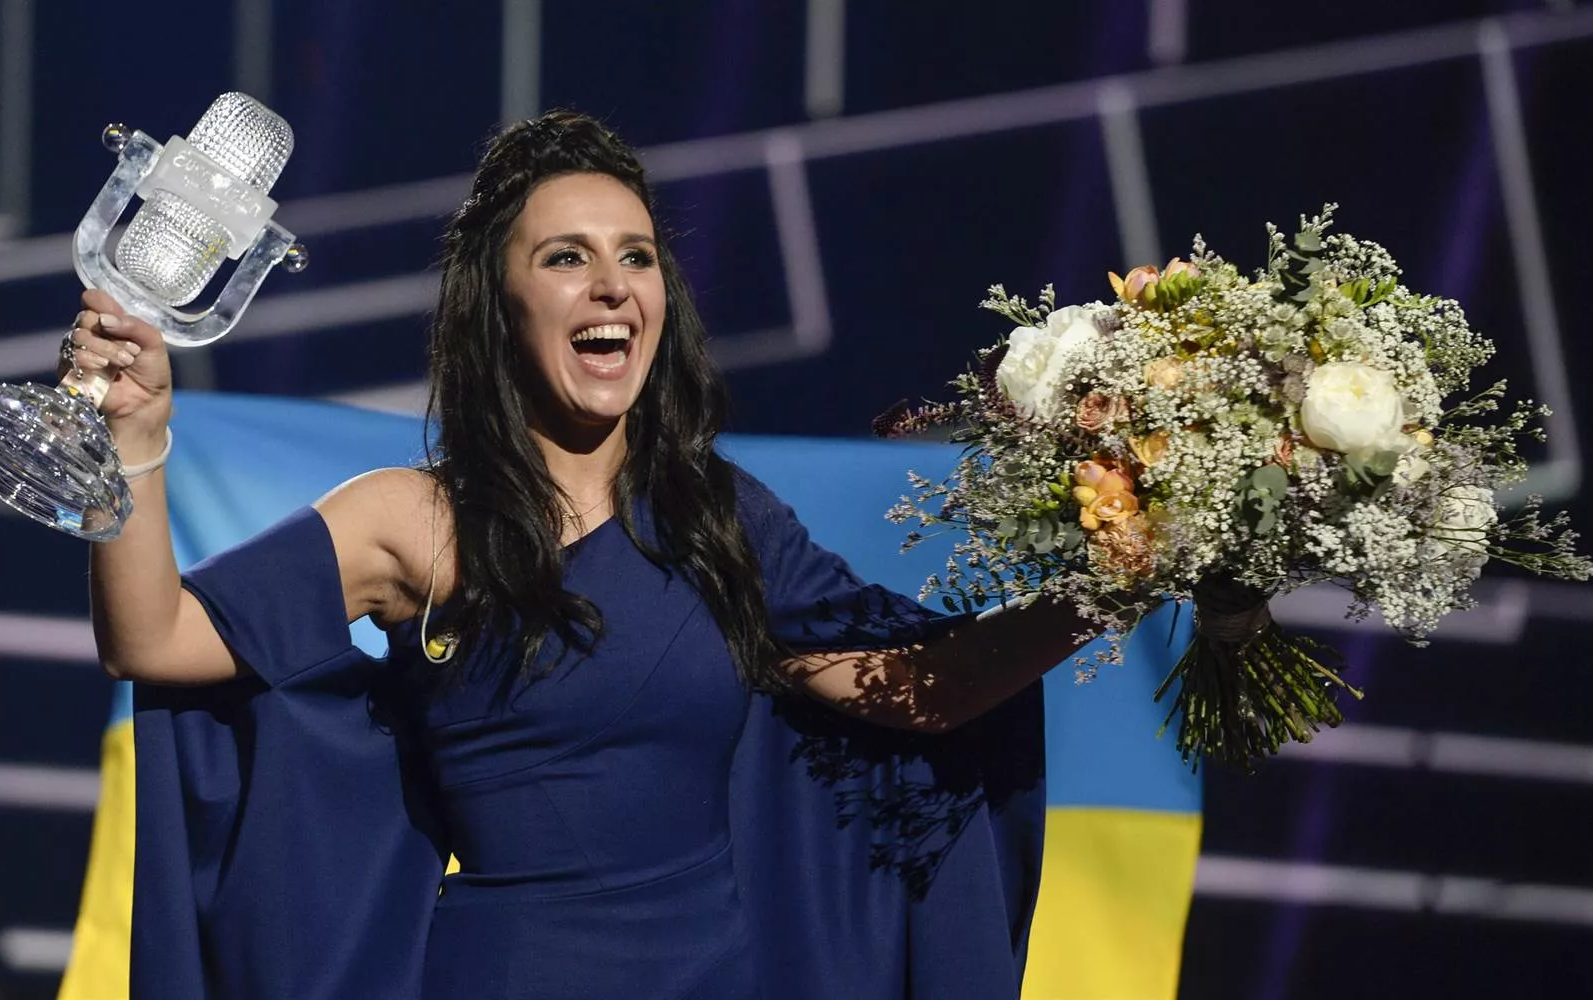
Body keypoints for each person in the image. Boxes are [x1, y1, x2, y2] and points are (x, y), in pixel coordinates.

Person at [63, 110, 1085, 999]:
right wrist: (136, 441)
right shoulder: (411, 521)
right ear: (496, 304)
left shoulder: (725, 520)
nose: (611, 287)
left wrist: (1120, 572)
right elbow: (152, 639)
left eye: (636, 257)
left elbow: (924, 693)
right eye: (565, 258)